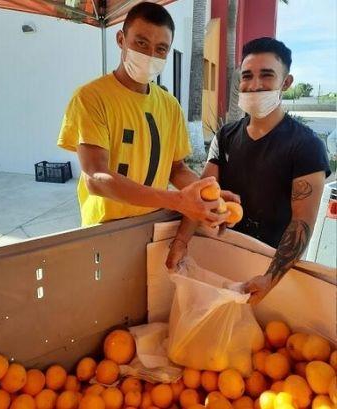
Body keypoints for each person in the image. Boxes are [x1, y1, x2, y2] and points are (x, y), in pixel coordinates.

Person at [166, 37, 331, 304]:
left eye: (266, 75)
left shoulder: (306, 145)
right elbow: (203, 195)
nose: (254, 85)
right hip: (226, 253)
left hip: (271, 269)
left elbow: (301, 224)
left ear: (285, 83)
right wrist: (181, 242)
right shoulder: (226, 136)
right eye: (247, 76)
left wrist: (270, 277)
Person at [57, 2, 228, 228]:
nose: (150, 55)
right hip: (105, 227)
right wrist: (177, 200)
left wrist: (209, 198)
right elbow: (96, 178)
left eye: (160, 49)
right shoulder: (90, 98)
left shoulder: (170, 105)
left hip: (154, 223)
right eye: (141, 43)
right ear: (121, 40)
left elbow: (175, 169)